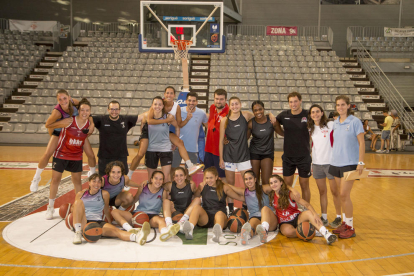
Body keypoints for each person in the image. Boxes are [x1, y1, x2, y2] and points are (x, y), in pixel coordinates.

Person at [128, 87, 203, 178]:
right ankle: (129, 174)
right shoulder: (158, 104)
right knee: (140, 153)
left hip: (164, 130)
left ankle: (190, 166)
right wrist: (166, 120)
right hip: (151, 130)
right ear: (164, 94)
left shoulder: (176, 107)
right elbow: (148, 120)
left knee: (180, 142)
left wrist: (187, 119)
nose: (169, 95)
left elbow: (178, 125)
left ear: (174, 95)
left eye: (171, 93)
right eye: (167, 93)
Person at [30, 89, 96, 192]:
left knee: (91, 154)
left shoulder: (75, 102)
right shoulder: (57, 112)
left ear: (69, 97)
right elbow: (48, 125)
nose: (63, 101)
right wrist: (62, 123)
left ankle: (92, 173)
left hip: (74, 132)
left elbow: (87, 111)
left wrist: (92, 124)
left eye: (64, 98)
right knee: (47, 154)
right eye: (60, 99)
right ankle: (36, 178)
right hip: (59, 132)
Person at [44, 98, 93, 220]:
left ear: (90, 112)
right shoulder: (69, 121)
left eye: (87, 110)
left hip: (76, 155)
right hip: (61, 153)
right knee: (55, 180)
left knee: (77, 182)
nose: (84, 112)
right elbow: (51, 126)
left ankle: (78, 206)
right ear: (78, 110)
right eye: (82, 110)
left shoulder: (89, 125)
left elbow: (85, 136)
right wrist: (53, 135)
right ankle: (50, 207)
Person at [72, 173, 150, 245]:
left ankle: (137, 237)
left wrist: (109, 222)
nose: (96, 184)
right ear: (89, 182)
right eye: (94, 181)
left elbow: (106, 209)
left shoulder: (104, 194)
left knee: (116, 231)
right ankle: (78, 232)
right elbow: (74, 209)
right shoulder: (81, 194)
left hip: (98, 221)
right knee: (78, 202)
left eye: (99, 182)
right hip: (84, 220)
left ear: (101, 184)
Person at [329, 95, 365, 239]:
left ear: (348, 106)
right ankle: (344, 223)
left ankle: (350, 227)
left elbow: (362, 143)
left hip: (350, 163)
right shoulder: (336, 122)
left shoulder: (355, 122)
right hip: (335, 162)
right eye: (338, 105)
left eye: (343, 105)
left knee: (344, 195)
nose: (340, 107)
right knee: (340, 195)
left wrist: (360, 162)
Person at [111, 171, 180, 242]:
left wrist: (170, 208)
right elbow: (134, 200)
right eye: (156, 178)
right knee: (114, 212)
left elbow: (164, 206)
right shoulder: (143, 187)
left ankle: (165, 232)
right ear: (151, 179)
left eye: (160, 179)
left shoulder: (163, 191)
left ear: (163, 181)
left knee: (161, 219)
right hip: (138, 214)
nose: (158, 181)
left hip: (152, 216)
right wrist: (126, 202)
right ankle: (130, 229)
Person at [269, 174, 337, 245]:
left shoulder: (291, 194)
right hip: (284, 222)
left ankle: (326, 234)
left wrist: (315, 215)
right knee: (288, 232)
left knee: (309, 213)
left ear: (281, 182)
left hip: (297, 218)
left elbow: (306, 204)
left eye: (275, 182)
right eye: (271, 183)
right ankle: (310, 231)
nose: (273, 184)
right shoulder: (271, 195)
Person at [182, 167, 245, 242]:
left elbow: (239, 197)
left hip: (220, 217)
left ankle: (217, 234)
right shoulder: (202, 186)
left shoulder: (224, 187)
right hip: (206, 218)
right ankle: (189, 229)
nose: (209, 180)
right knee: (196, 207)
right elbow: (194, 196)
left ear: (216, 177)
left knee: (219, 214)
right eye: (207, 178)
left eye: (211, 178)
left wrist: (251, 197)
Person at [308, 104, 341, 228]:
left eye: (317, 111)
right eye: (313, 112)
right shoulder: (310, 128)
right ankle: (324, 217)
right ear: (310, 115)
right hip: (317, 164)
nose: (315, 114)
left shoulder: (331, 125)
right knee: (322, 191)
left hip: (331, 164)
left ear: (322, 113)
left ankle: (338, 217)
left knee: (335, 192)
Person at [274, 92, 311, 203]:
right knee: (286, 185)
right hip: (288, 157)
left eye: (295, 101)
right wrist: (282, 133)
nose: (293, 104)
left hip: (304, 156)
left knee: (305, 186)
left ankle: (306, 209)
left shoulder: (307, 114)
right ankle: (287, 207)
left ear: (300, 101)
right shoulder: (284, 115)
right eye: (291, 102)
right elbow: (274, 123)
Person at [219, 96, 254, 214]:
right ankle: (230, 209)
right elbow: (220, 141)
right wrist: (221, 158)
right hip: (229, 156)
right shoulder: (225, 120)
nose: (235, 106)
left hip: (243, 156)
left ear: (240, 104)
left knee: (248, 183)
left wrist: (270, 115)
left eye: (236, 104)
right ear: (229, 106)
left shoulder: (246, 115)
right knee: (230, 184)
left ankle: (245, 207)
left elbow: (260, 116)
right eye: (232, 104)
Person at [93, 100, 145, 176]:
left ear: (120, 110)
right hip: (104, 157)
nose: (114, 111)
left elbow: (142, 117)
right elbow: (86, 118)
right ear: (108, 110)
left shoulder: (125, 120)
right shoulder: (101, 120)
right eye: (112, 109)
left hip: (121, 157)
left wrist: (156, 107)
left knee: (122, 181)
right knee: (104, 181)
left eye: (116, 109)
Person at [226, 170, 278, 245]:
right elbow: (230, 187)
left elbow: (279, 186)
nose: (248, 181)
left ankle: (264, 230)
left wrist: (292, 190)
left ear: (255, 179)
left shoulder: (263, 188)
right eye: (246, 179)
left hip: (270, 219)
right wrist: (220, 183)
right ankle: (247, 235)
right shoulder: (245, 193)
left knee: (264, 208)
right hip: (256, 217)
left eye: (250, 178)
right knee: (251, 225)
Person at [145, 96, 180, 182]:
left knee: (166, 177)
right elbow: (145, 125)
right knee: (151, 177)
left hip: (165, 149)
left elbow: (177, 127)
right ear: (152, 105)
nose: (157, 106)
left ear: (163, 106)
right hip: (151, 149)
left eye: (160, 104)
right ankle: (151, 195)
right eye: (155, 104)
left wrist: (175, 142)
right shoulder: (148, 117)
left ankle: (166, 195)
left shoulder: (169, 117)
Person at [172, 92, 208, 169]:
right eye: (189, 100)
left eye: (193, 101)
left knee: (189, 173)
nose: (191, 103)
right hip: (177, 146)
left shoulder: (201, 113)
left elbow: (208, 126)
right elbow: (173, 126)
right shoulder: (178, 111)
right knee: (173, 169)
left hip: (192, 148)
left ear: (197, 102)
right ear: (185, 101)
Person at [247, 100, 278, 185]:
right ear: (253, 111)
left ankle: (266, 198)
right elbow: (244, 139)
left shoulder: (271, 121)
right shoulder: (251, 123)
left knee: (267, 182)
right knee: (254, 182)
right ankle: (255, 198)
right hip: (254, 153)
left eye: (260, 109)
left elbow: (282, 133)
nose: (258, 112)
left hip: (267, 153)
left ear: (264, 109)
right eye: (255, 110)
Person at [161, 167, 201, 231]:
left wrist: (201, 188)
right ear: (173, 177)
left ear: (185, 176)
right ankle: (169, 225)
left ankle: (181, 222)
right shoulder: (170, 185)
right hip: (174, 212)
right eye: (176, 176)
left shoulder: (191, 184)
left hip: (187, 213)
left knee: (198, 199)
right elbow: (158, 187)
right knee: (166, 201)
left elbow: (195, 195)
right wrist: (166, 195)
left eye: (181, 175)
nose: (179, 178)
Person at [204, 89, 229, 183]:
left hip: (220, 151)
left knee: (222, 177)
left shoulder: (229, 112)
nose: (218, 101)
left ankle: (225, 197)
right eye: (217, 99)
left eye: (221, 99)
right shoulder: (212, 107)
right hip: (209, 148)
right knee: (207, 173)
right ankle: (206, 196)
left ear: (226, 99)